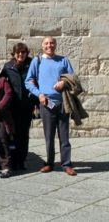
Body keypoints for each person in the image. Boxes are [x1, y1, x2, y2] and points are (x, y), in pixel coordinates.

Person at [25, 36, 77, 176]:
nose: (49, 45)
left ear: (55, 45)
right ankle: (49, 162)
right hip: (46, 103)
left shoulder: (63, 60)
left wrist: (64, 83)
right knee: (49, 136)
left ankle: (66, 164)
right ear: (42, 46)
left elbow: (73, 78)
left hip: (63, 103)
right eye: (46, 43)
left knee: (64, 135)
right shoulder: (38, 61)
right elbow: (29, 81)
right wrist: (39, 94)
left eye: (52, 43)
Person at [2, 43, 36, 170]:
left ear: (26, 53)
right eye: (18, 53)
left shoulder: (32, 65)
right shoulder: (8, 66)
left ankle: (22, 159)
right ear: (14, 54)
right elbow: (0, 81)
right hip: (13, 106)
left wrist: (36, 101)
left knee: (24, 133)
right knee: (14, 133)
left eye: (23, 52)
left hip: (27, 105)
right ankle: (14, 159)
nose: (20, 55)